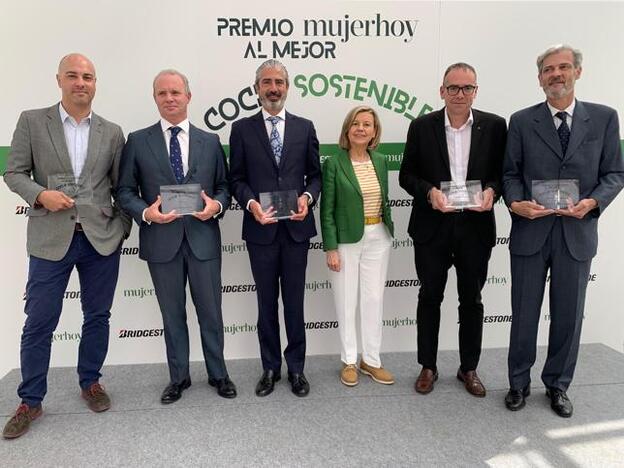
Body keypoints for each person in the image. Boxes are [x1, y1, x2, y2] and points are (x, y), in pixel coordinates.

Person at [2, 53, 131, 439]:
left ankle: (90, 382)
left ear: (95, 83)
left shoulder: (112, 131)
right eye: (73, 76)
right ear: (58, 79)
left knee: (98, 316)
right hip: (49, 238)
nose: (80, 83)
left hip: (100, 239)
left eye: (87, 77)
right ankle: (30, 401)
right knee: (39, 321)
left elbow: (121, 187)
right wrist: (41, 195)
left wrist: (121, 227)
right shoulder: (31, 121)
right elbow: (13, 172)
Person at [503, 45, 624, 417]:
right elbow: (509, 173)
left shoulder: (604, 118)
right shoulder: (522, 121)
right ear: (539, 79)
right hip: (531, 230)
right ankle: (518, 383)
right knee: (524, 312)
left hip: (577, 230)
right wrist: (516, 202)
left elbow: (615, 174)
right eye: (549, 70)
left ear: (577, 72)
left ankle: (557, 385)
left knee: (569, 315)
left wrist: (593, 203)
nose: (556, 74)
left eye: (564, 67)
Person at [117, 69, 236, 404]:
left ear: (188, 96)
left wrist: (216, 205)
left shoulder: (210, 141)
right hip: (161, 242)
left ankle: (219, 374)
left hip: (203, 240)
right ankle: (178, 378)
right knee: (172, 315)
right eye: (162, 94)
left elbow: (225, 187)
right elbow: (124, 190)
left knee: (211, 312)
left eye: (175, 92)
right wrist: (146, 213)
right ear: (155, 98)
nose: (169, 98)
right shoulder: (138, 141)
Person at [399, 63, 507, 397]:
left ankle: (468, 368)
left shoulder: (495, 126)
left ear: (476, 90)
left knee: (471, 300)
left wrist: (493, 191)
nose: (460, 94)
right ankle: (428, 366)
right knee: (429, 297)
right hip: (432, 226)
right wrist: (429, 192)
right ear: (442, 91)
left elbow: (503, 174)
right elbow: (406, 176)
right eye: (453, 88)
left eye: (467, 88)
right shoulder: (421, 126)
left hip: (475, 227)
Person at [229, 59, 321, 397]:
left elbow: (316, 175)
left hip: (297, 231)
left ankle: (297, 369)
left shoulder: (305, 127)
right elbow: (236, 179)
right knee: (266, 303)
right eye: (267, 82)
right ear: (256, 88)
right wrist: (252, 204)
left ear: (287, 86)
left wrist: (308, 199)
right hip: (261, 231)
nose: (273, 88)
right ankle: (270, 367)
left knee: (294, 303)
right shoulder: (241, 129)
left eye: (279, 82)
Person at [321, 106, 394, 387]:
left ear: (375, 132)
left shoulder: (381, 160)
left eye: (367, 124)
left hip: (379, 235)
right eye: (356, 123)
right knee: (346, 300)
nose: (361, 128)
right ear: (347, 129)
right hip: (346, 240)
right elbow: (326, 210)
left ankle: (371, 361)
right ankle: (349, 360)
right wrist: (331, 247)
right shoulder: (334, 163)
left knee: (373, 299)